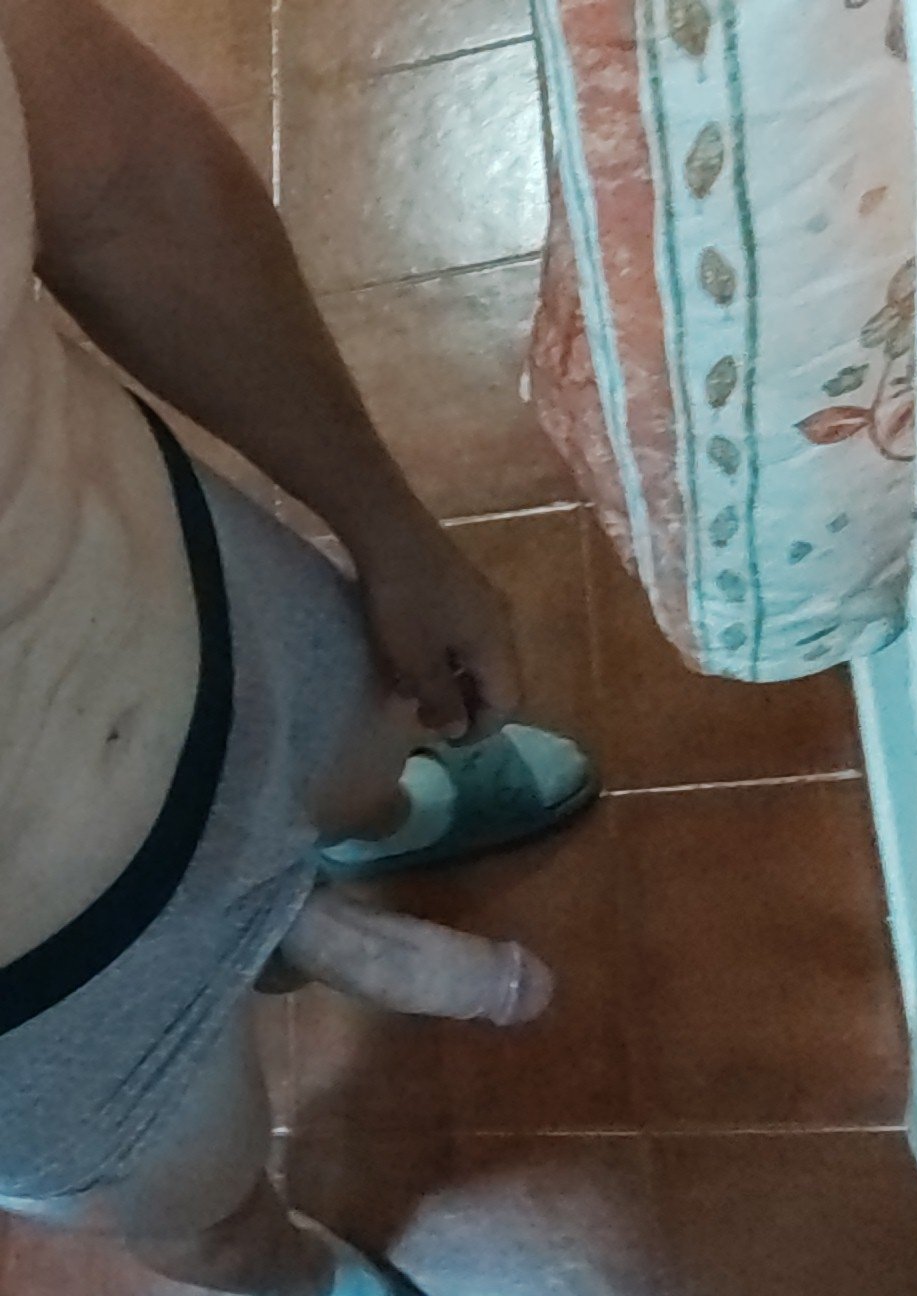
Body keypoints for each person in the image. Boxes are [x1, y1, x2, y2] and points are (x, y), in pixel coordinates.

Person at [0, 1, 598, 1293]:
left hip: (200, 612)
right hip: (43, 994)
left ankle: (375, 825)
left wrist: (389, 527)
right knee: (210, 1214)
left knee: (375, 754)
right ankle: (290, 1277)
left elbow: (118, 183)